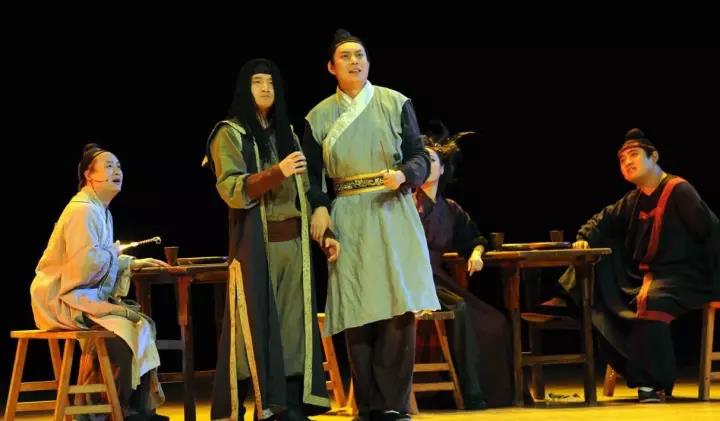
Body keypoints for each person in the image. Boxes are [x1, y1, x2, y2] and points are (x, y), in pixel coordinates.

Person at [302, 29, 440, 421]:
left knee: (398, 304)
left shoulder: (395, 102)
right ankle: (367, 405)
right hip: (348, 212)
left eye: (360, 55)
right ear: (331, 67)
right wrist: (319, 208)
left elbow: (419, 156)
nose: (355, 61)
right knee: (357, 306)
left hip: (392, 208)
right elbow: (312, 176)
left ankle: (393, 403)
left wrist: (404, 174)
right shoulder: (318, 115)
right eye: (345, 57)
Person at [204, 58, 336, 421]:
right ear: (244, 88)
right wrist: (277, 171)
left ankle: (289, 404)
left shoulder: (286, 132)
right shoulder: (230, 134)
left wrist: (325, 230)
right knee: (256, 325)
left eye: (271, 83)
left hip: (294, 244)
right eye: (257, 82)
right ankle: (262, 404)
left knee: (294, 327)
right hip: (257, 247)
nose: (265, 89)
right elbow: (232, 189)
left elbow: (305, 188)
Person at [555, 128, 719, 402]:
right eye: (622, 159)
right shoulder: (634, 198)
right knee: (595, 266)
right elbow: (601, 220)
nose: (627, 162)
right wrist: (584, 238)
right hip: (646, 275)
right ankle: (568, 298)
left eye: (634, 155)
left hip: (686, 276)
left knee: (650, 300)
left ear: (654, 157)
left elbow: (711, 233)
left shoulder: (679, 190)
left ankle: (653, 383)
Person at [30, 143, 169, 421]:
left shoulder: (100, 210)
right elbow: (85, 266)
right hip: (61, 297)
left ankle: (132, 408)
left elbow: (96, 259)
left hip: (80, 294)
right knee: (126, 328)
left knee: (141, 323)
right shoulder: (83, 210)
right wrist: (115, 255)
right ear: (89, 176)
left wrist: (131, 262)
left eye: (118, 166)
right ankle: (110, 410)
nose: (117, 171)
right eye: (108, 166)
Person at [413, 120, 513, 408]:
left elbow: (474, 238)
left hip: (438, 278)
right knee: (459, 308)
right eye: (422, 162)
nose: (426, 167)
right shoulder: (406, 203)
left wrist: (476, 253)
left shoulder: (450, 208)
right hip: (412, 277)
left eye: (432, 161)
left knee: (495, 322)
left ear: (443, 169)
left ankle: (496, 393)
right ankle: (471, 392)